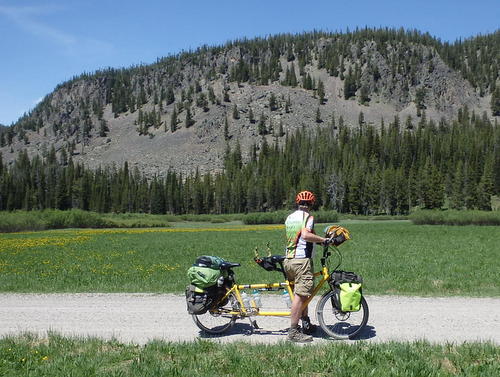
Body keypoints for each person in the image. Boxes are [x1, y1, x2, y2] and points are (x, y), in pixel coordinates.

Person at [284, 190, 329, 342]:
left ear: (298, 203)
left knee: (303, 293)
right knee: (301, 295)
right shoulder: (308, 217)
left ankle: (306, 324)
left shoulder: (290, 217)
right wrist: (323, 240)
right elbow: (305, 235)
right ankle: (293, 331)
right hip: (301, 261)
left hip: (288, 260)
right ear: (311, 204)